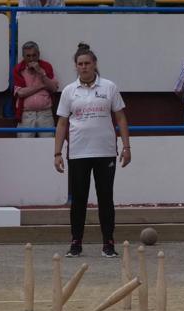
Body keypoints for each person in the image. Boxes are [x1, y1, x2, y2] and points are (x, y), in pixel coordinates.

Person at [54, 43, 131, 258]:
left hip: (105, 152)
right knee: (78, 199)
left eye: (88, 63)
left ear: (95, 64)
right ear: (75, 66)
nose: (84, 67)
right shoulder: (69, 91)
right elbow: (61, 123)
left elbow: (121, 117)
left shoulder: (109, 87)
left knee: (106, 198)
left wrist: (126, 147)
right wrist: (57, 153)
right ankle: (76, 243)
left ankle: (108, 243)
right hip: (78, 153)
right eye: (80, 64)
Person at [13, 41, 59, 138]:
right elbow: (20, 93)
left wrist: (41, 73)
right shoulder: (18, 69)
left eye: (34, 55)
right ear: (23, 57)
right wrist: (41, 86)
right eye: (28, 56)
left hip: (45, 113)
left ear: (38, 55)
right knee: (24, 145)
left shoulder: (46, 67)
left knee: (48, 145)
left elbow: (54, 88)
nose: (31, 59)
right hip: (26, 114)